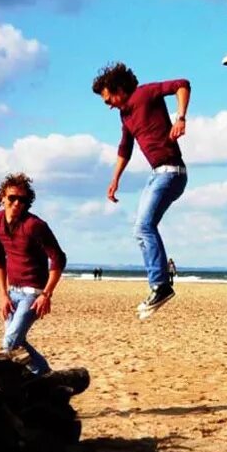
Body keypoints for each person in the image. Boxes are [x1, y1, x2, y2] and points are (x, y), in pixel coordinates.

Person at [93, 61, 189, 320]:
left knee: (143, 227)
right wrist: (115, 179)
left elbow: (182, 84)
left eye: (108, 98)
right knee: (142, 228)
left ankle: (160, 286)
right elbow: (125, 148)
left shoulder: (145, 93)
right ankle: (159, 285)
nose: (109, 104)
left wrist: (180, 117)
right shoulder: (125, 114)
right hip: (157, 174)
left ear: (120, 88)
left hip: (171, 172)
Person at [0, 172, 66, 375]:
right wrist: (3, 295)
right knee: (17, 341)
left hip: (33, 294)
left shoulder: (35, 226)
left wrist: (46, 294)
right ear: (2, 198)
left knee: (9, 343)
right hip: (12, 292)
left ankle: (5, 383)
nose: (16, 203)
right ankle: (44, 373)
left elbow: (59, 259)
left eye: (22, 199)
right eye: (12, 198)